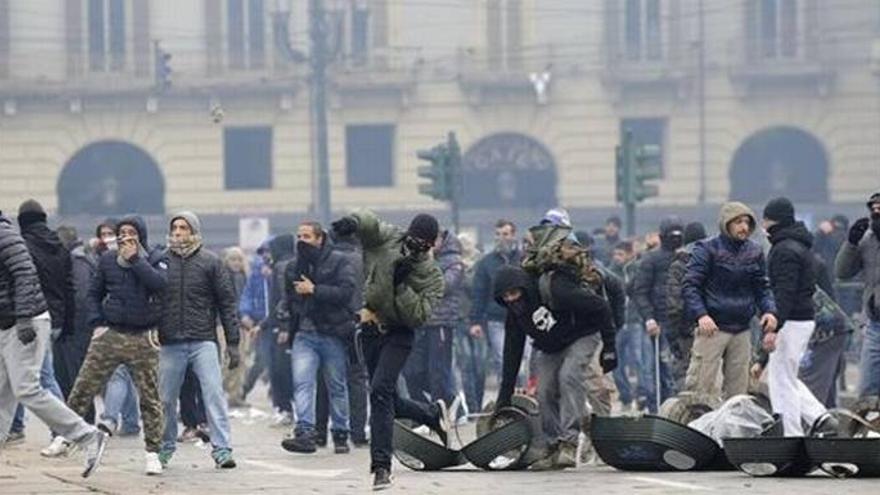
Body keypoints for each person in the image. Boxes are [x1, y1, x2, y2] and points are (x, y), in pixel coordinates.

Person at [331, 210, 449, 491]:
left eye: (424, 242)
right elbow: (372, 225)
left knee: (380, 392)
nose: (417, 245)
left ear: (431, 245)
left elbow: (419, 316)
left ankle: (381, 467)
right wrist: (354, 222)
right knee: (387, 397)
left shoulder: (432, 276)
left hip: (399, 334)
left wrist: (402, 287)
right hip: (371, 330)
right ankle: (431, 414)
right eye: (415, 238)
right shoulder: (387, 239)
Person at [0, 209, 107, 478]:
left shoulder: (4, 235)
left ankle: (86, 436)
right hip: (10, 322)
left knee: (26, 388)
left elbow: (25, 272)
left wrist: (24, 318)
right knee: (3, 391)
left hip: (26, 321)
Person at [493, 255, 615, 470]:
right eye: (506, 297)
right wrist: (504, 396)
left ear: (524, 288)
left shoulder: (556, 291)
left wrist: (610, 348)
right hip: (550, 346)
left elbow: (601, 307)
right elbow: (511, 354)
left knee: (569, 377)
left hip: (583, 334)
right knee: (544, 389)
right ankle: (552, 445)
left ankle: (569, 442)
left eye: (514, 293)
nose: (512, 300)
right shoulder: (515, 315)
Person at [66, 215, 163, 475]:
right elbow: (94, 293)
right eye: (122, 233)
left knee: (151, 398)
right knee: (84, 384)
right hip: (112, 332)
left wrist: (135, 260)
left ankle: (153, 452)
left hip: (143, 336)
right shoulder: (108, 259)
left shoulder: (154, 257)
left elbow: (160, 285)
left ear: (140, 235)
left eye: (131, 232)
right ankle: (66, 434)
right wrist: (97, 321)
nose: (125, 237)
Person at [157, 212, 240, 470]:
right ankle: (165, 445)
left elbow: (227, 304)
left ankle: (222, 448)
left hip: (203, 339)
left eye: (183, 227)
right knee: (166, 399)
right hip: (170, 341)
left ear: (194, 231)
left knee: (213, 393)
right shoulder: (161, 262)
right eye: (175, 228)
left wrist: (233, 342)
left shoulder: (210, 262)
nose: (178, 232)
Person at [682, 202, 778, 401]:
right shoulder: (707, 249)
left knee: (739, 393)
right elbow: (691, 286)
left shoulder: (755, 251)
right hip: (712, 327)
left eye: (746, 222)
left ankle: (733, 431)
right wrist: (702, 315)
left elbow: (762, 286)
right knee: (702, 388)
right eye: (738, 222)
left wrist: (769, 310)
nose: (743, 227)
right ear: (726, 224)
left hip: (742, 328)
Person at [279, 221, 358, 454]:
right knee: (302, 383)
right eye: (299, 235)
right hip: (304, 334)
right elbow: (288, 298)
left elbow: (346, 293)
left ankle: (341, 433)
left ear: (320, 238)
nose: (301, 240)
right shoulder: (293, 266)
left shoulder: (339, 260)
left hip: (332, 333)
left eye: (307, 236)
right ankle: (305, 432)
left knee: (336, 385)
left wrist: (315, 290)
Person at [10, 200, 72, 453]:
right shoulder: (60, 246)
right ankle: (15, 427)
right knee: (20, 371)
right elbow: (70, 287)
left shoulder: (23, 246)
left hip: (32, 318)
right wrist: (68, 323)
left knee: (42, 375)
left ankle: (63, 431)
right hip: (56, 319)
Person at [761, 197, 826, 436]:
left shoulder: (783, 250)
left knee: (781, 382)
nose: (763, 224)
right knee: (785, 376)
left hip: (790, 320)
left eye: (765, 219)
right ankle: (819, 416)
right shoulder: (800, 245)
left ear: (773, 220)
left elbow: (783, 293)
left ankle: (792, 435)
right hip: (802, 318)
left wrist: (774, 327)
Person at [404, 229, 465, 414]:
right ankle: (448, 405)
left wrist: (428, 263)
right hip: (420, 321)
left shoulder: (454, 262)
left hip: (441, 322)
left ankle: (438, 414)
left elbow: (443, 286)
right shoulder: (417, 259)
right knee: (411, 372)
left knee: (438, 372)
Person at [632, 216, 683, 409]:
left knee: (676, 370)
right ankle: (659, 410)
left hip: (682, 324)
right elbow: (640, 291)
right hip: (660, 324)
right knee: (660, 369)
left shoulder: (687, 257)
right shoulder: (651, 259)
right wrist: (649, 318)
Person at [836, 191, 880, 398]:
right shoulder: (867, 239)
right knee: (866, 392)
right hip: (875, 324)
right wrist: (851, 243)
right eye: (873, 208)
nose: (876, 213)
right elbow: (842, 272)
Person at [468, 220, 522, 386]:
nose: (501, 238)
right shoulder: (486, 263)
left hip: (523, 318)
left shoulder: (523, 260)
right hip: (497, 319)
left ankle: (524, 399)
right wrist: (475, 321)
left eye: (505, 234)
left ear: (513, 235)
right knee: (502, 359)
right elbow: (479, 292)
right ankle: (507, 397)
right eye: (498, 234)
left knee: (523, 363)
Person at [664, 221, 708, 386]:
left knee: (685, 372)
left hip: (687, 329)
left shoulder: (678, 266)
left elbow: (674, 303)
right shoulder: (713, 260)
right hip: (713, 327)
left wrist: (675, 333)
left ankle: (689, 410)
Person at [609, 241, 649, 412]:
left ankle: (642, 395)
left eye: (621, 254)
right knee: (614, 362)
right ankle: (625, 394)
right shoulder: (610, 273)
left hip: (634, 321)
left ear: (630, 254)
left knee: (638, 360)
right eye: (615, 254)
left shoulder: (638, 270)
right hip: (617, 324)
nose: (617, 258)